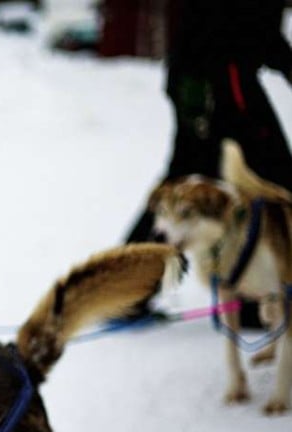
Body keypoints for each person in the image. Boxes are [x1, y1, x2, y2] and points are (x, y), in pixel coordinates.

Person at [124, 0, 292, 324]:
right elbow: (254, 32)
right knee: (273, 182)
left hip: (212, 74)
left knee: (198, 180)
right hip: (214, 79)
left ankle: (130, 290)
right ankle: (129, 289)